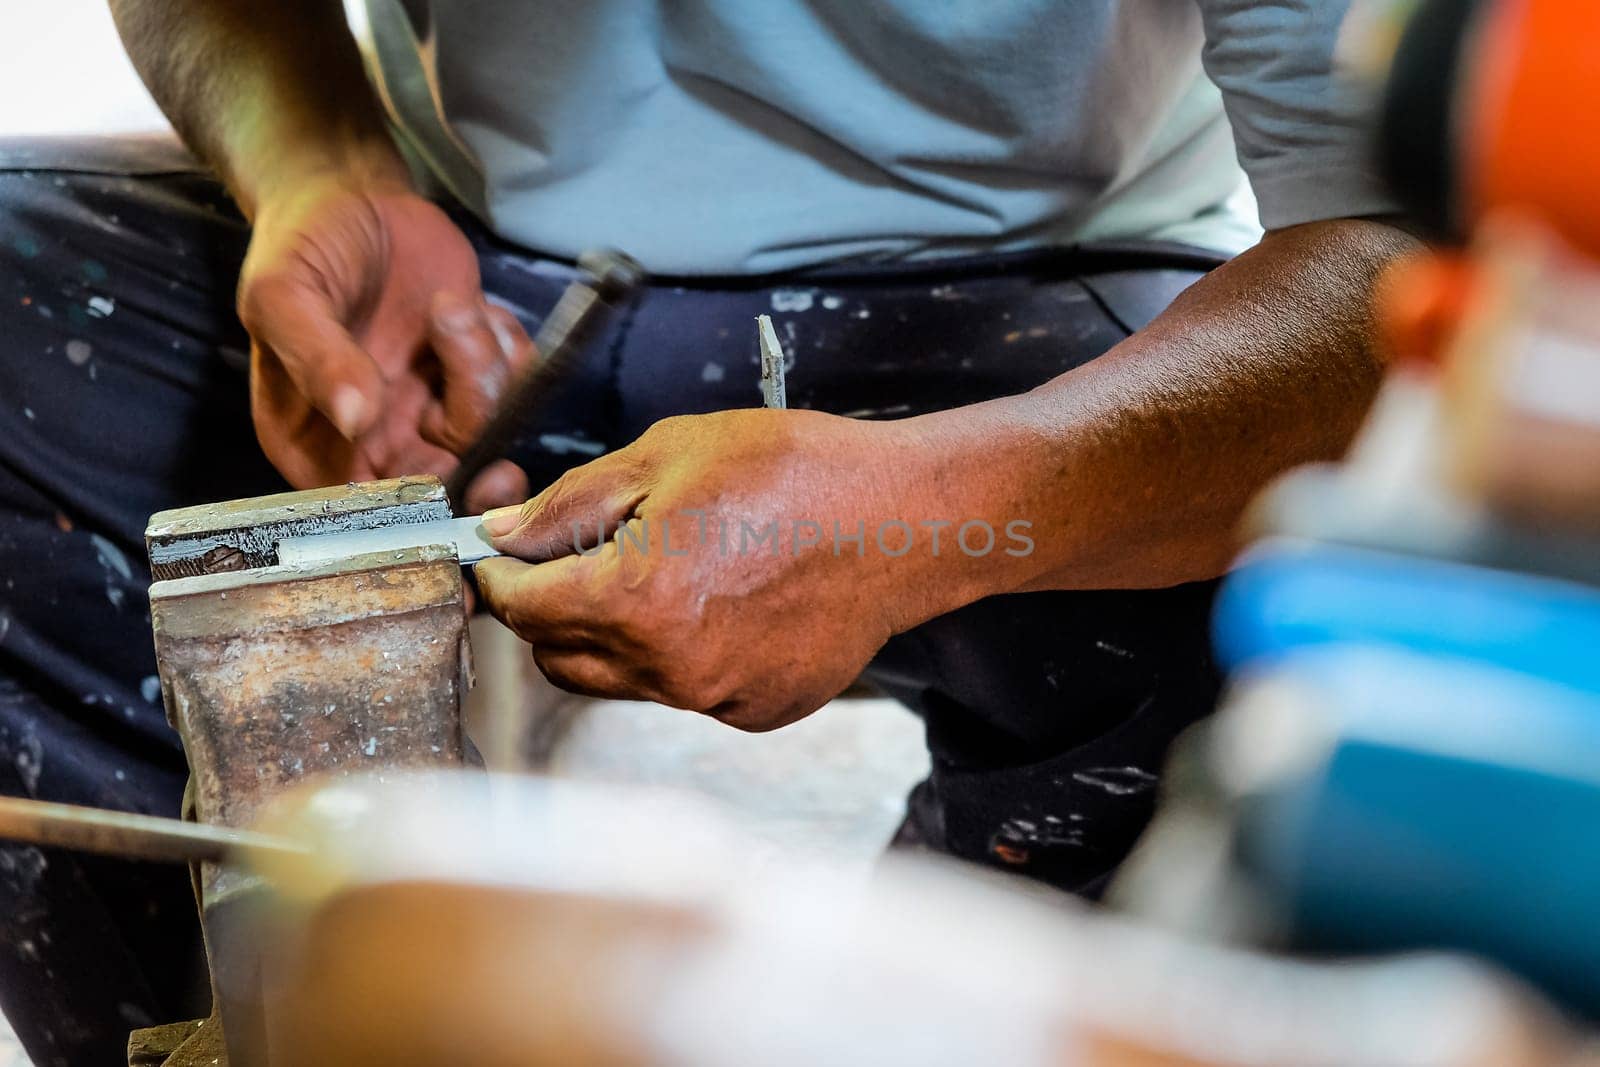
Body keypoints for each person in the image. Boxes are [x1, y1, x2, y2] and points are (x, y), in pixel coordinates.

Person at [0, 1, 1415, 1061]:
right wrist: (313, 161)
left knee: (1349, 636)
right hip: (480, 281)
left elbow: (1410, 279)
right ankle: (231, 1020)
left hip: (1038, 300)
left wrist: (931, 512)